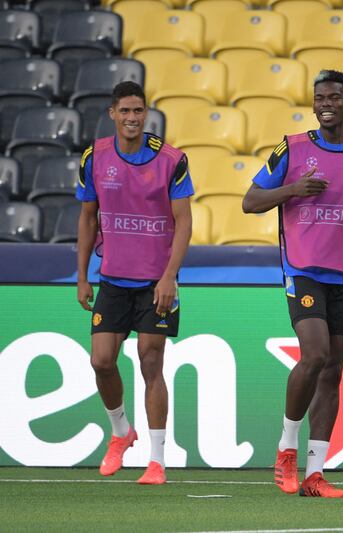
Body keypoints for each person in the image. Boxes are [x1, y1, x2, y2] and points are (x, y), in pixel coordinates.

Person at [242, 70, 343, 498]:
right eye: (319, 98)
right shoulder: (292, 148)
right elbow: (250, 201)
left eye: (334, 96)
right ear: (313, 104)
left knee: (333, 371)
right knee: (314, 356)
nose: (326, 103)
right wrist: (293, 189)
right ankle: (285, 449)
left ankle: (315, 475)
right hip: (304, 269)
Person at [76, 81, 193, 485]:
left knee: (150, 359)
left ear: (147, 114)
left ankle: (157, 460)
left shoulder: (172, 159)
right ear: (112, 113)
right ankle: (122, 432)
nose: (131, 118)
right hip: (112, 279)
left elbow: (184, 222)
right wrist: (81, 277)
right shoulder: (95, 157)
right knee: (101, 361)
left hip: (155, 282)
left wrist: (169, 277)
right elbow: (88, 217)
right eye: (124, 111)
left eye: (138, 111)